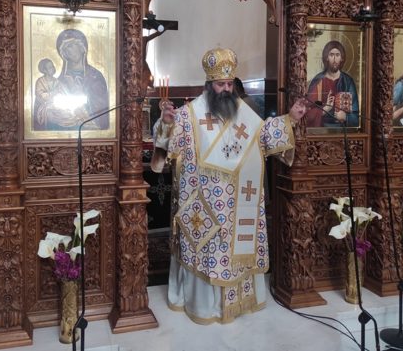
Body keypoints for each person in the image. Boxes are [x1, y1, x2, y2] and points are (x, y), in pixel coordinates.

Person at [151, 47, 308, 324]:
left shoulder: (243, 112)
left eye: (229, 84)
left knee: (234, 249)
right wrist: (165, 123)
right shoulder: (190, 114)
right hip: (204, 204)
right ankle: (206, 307)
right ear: (209, 84)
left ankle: (236, 303)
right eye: (220, 84)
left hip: (237, 204)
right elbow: (169, 143)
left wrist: (291, 119)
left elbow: (264, 136)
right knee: (207, 251)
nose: (226, 89)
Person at [39, 29, 109, 130]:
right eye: (64, 49)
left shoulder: (95, 76)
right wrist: (48, 111)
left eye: (70, 46)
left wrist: (82, 93)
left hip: (88, 129)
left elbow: (101, 109)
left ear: (82, 48)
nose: (68, 51)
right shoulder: (59, 80)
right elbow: (47, 101)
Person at [306, 40, 359, 127]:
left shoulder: (348, 82)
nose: (334, 59)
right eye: (331, 55)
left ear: (342, 58)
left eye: (337, 55)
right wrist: (325, 110)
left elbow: (357, 118)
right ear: (326, 57)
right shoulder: (318, 81)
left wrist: (345, 117)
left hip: (343, 131)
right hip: (321, 130)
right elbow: (307, 113)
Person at [33, 58, 61, 130]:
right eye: (50, 67)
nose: (53, 68)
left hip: (55, 105)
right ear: (44, 70)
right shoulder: (40, 81)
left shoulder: (56, 81)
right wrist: (53, 93)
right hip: (43, 107)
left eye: (53, 66)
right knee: (51, 115)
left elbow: (60, 94)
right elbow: (41, 95)